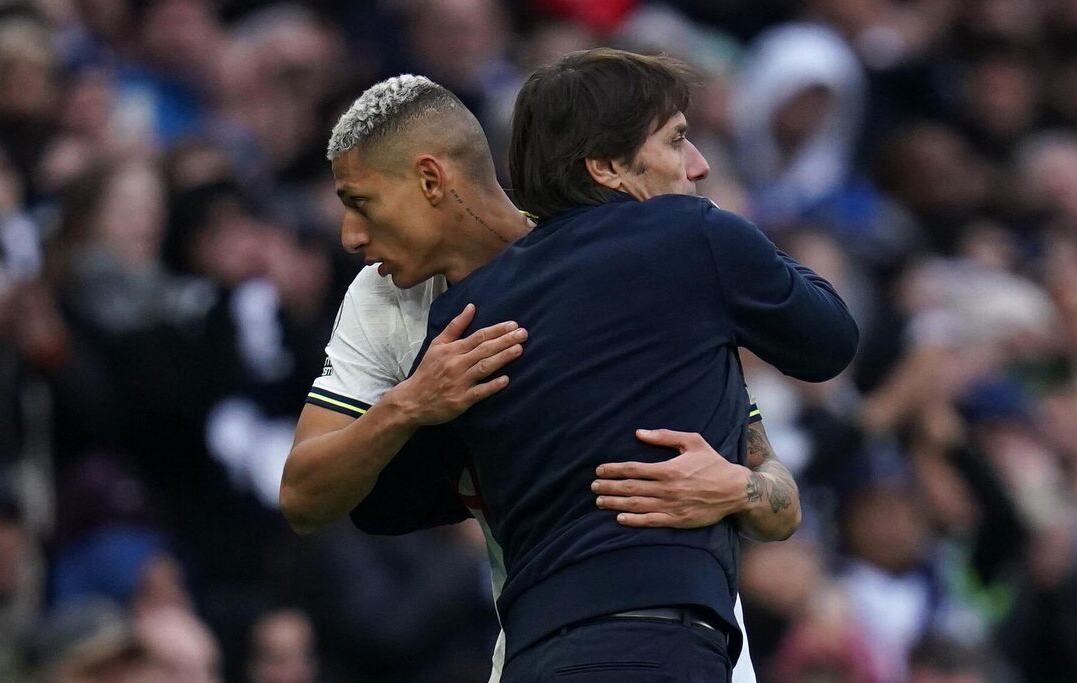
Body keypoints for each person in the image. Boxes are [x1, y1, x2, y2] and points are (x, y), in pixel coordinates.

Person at [279, 71, 805, 682]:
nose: (350, 236)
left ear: (430, 179)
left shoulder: (620, 258)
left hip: (687, 648)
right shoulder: (382, 303)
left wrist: (737, 488)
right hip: (544, 645)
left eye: (361, 203)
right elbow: (303, 496)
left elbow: (781, 504)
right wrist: (411, 404)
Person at [392, 48, 856, 680]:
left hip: (535, 656)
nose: (700, 166)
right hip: (659, 646)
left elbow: (390, 504)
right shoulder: (694, 235)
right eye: (678, 142)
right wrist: (728, 225)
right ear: (607, 167)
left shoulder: (471, 308)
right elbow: (830, 339)